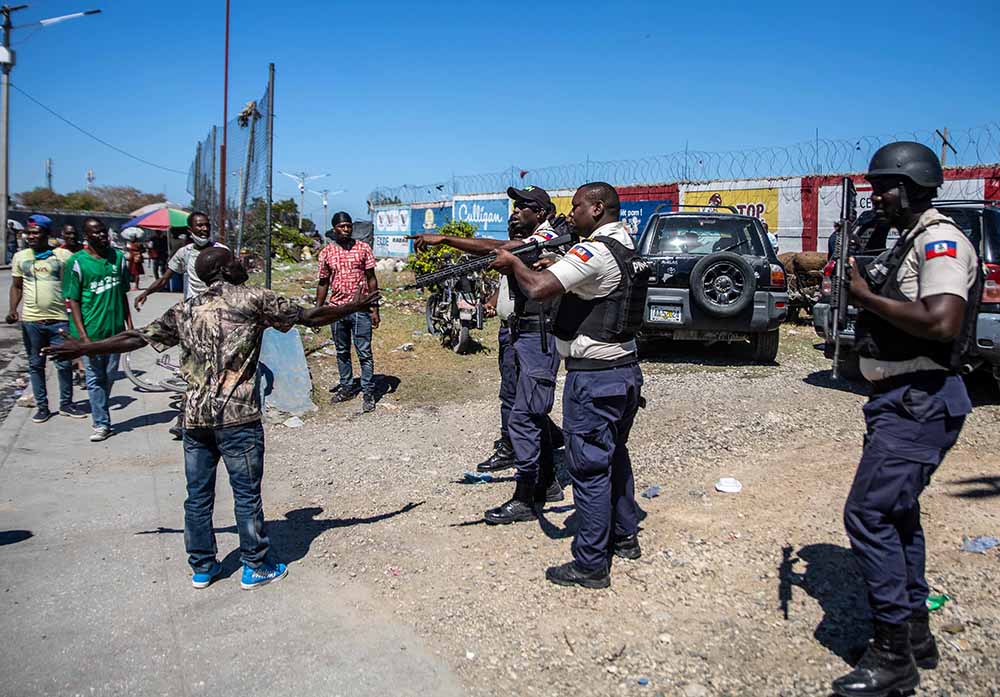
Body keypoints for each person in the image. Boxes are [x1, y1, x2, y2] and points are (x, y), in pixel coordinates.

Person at [44, 247, 380, 590]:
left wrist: (86, 348)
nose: (241, 262)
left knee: (198, 496)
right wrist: (356, 305)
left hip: (194, 420)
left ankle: (202, 567)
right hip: (238, 419)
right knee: (246, 495)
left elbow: (137, 338)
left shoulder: (186, 309)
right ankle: (256, 565)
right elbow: (311, 316)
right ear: (222, 269)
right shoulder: (254, 299)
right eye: (234, 259)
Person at [830, 142, 979, 697]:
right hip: (901, 397)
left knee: (867, 515)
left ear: (911, 187)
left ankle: (893, 656)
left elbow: (941, 322)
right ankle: (915, 633)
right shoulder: (911, 241)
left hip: (920, 398)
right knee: (897, 514)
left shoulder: (940, 240)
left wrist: (866, 297)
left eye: (884, 187)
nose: (877, 198)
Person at [491, 182, 648, 589]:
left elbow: (541, 290)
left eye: (577, 206)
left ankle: (591, 564)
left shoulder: (593, 250)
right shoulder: (628, 248)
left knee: (590, 467)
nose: (571, 213)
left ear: (597, 208)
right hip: (625, 371)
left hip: (594, 377)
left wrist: (515, 266)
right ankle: (625, 535)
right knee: (615, 456)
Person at [409, 186, 568, 523]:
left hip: (539, 333)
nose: (515, 211)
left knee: (529, 413)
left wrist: (446, 239)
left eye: (523, 206)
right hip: (520, 330)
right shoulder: (536, 236)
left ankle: (533, 490)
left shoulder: (549, 236)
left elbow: (500, 249)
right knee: (519, 406)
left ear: (540, 212)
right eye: (514, 206)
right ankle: (544, 479)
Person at [4, 214, 86, 422]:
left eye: (35, 233)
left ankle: (66, 404)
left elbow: (77, 284)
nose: (30, 237)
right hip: (32, 321)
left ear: (47, 234)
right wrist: (13, 309)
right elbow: (16, 286)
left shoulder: (62, 257)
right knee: (35, 364)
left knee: (64, 364)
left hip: (59, 319)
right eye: (28, 233)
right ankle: (42, 406)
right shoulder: (21, 257)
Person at [63, 217, 134, 442]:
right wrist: (83, 337)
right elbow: (73, 301)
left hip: (115, 333)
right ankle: (101, 423)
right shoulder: (76, 263)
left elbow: (122, 293)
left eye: (103, 231)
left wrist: (129, 326)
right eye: (96, 232)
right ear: (87, 236)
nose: (102, 236)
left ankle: (101, 412)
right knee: (95, 379)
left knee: (109, 376)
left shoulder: (118, 258)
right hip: (90, 333)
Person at [315, 211, 380, 413]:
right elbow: (323, 282)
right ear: (334, 229)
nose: (346, 229)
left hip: (360, 309)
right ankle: (346, 387)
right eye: (342, 226)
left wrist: (375, 308)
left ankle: (368, 391)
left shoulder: (363, 249)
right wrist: (317, 311)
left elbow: (371, 279)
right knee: (342, 351)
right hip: (337, 310)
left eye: (349, 226)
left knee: (364, 352)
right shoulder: (326, 253)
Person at [133, 212, 227, 310]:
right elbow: (164, 279)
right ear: (190, 230)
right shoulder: (185, 252)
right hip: (193, 306)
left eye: (207, 225)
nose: (205, 229)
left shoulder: (222, 251)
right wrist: (146, 293)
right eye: (200, 225)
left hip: (216, 306)